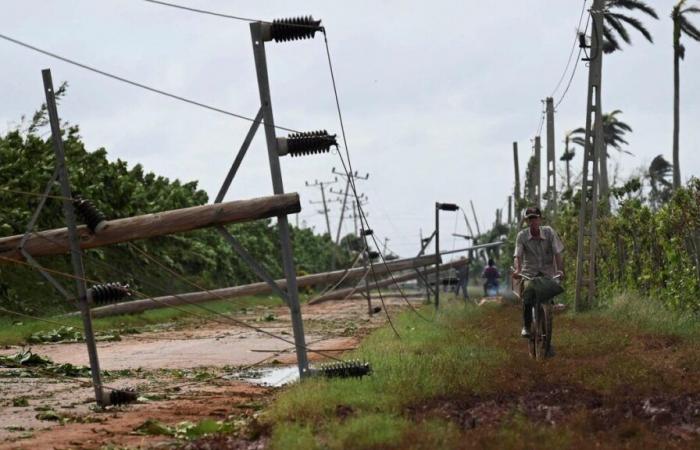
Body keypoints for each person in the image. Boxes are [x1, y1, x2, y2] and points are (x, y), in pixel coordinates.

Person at [512, 206, 565, 343]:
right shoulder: (522, 236)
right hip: (529, 272)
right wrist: (518, 270)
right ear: (526, 221)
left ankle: (549, 311)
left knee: (551, 289)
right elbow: (517, 255)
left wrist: (560, 269)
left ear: (540, 219)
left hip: (547, 272)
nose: (533, 221)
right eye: (530, 219)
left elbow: (557, 253)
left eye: (535, 218)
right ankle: (526, 326)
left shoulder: (549, 232)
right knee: (528, 296)